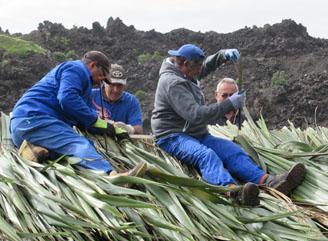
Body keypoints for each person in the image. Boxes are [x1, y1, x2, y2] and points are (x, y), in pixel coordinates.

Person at [151, 44, 306, 206]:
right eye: (197, 67)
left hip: (196, 134)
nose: (200, 71)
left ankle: (268, 181)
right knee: (206, 156)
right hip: (173, 136)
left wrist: (223, 55)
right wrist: (230, 104)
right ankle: (233, 192)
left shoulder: (186, 72)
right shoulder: (173, 83)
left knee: (232, 151)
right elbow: (196, 115)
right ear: (185, 64)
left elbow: (206, 66)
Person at [10, 50, 146, 177]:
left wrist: (109, 127)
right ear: (93, 65)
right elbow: (67, 99)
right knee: (79, 144)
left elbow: (80, 117)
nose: (100, 81)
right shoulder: (76, 69)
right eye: (101, 75)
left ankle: (33, 151)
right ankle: (111, 176)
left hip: (24, 127)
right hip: (35, 119)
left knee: (64, 154)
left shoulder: (82, 85)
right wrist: (96, 121)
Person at [89, 64, 143, 134]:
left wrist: (129, 128)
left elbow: (139, 129)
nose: (116, 90)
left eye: (119, 85)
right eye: (112, 84)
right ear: (104, 82)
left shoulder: (131, 101)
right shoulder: (90, 96)